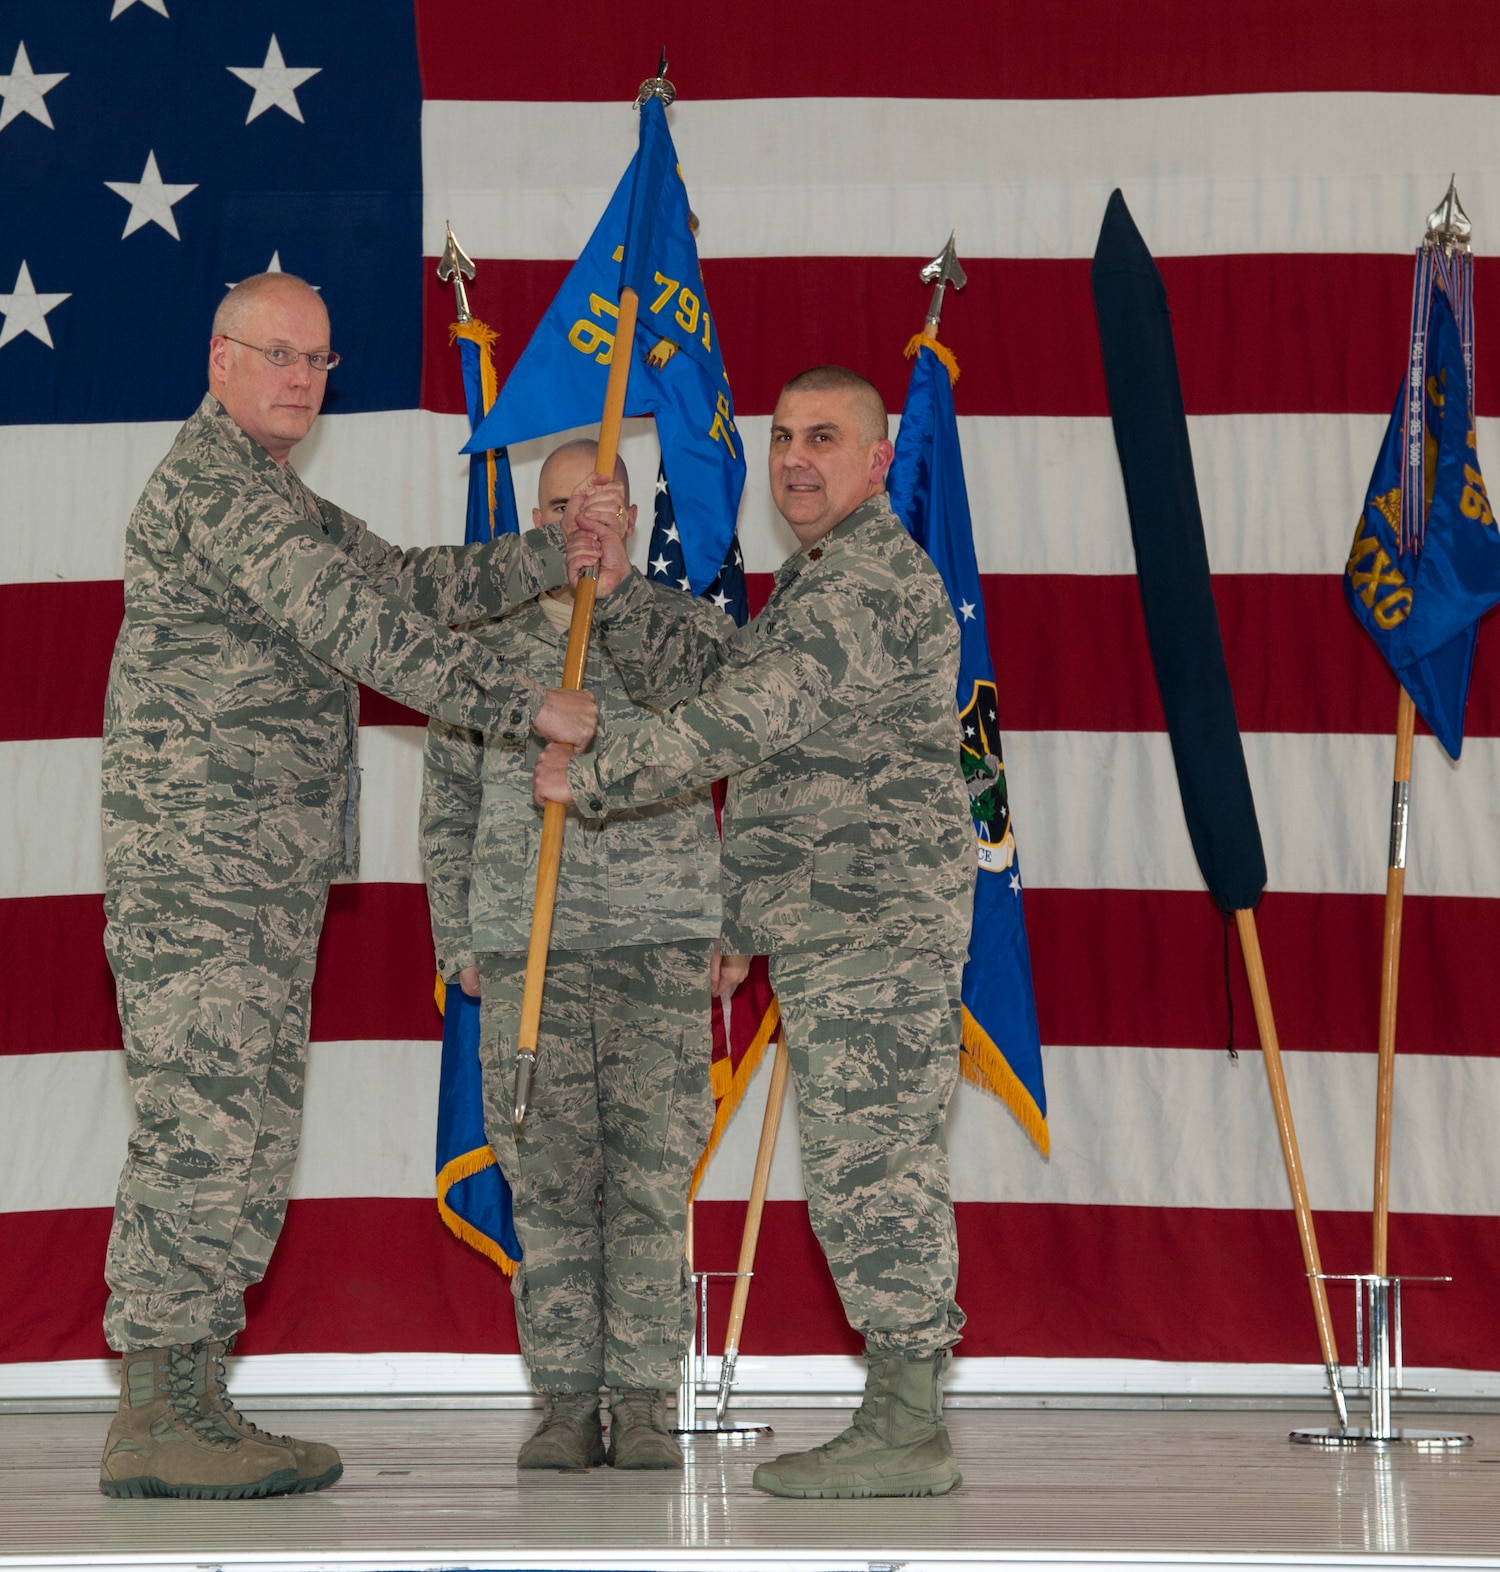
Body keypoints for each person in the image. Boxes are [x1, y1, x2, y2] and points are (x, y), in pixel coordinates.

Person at [98, 272, 600, 1501]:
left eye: (318, 361)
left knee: (250, 1134)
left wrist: (546, 552)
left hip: (258, 874)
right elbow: (359, 632)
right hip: (198, 869)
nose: (299, 380)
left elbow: (402, 585)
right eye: (276, 355)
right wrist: (520, 699)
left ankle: (197, 1402)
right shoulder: (216, 488)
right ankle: (153, 1411)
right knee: (200, 1131)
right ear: (219, 360)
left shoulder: (279, 496)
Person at [536, 366, 976, 1499]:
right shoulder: (822, 579)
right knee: (856, 1166)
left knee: (872, 1172)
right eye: (780, 436)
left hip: (874, 929)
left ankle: (907, 1426)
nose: (792, 458)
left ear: (879, 460)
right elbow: (737, 673)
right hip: (838, 924)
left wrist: (592, 768)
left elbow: (738, 719)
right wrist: (624, 594)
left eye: (823, 438)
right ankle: (899, 1412)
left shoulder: (865, 584)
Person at [421, 439, 751, 1471]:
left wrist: (731, 926)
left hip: (658, 940)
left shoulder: (686, 635)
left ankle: (647, 1400)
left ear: (632, 520)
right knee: (551, 1183)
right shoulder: (483, 643)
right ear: (537, 517)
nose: (580, 522)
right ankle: (565, 1401)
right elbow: (448, 803)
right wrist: (457, 934)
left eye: (598, 504)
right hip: (529, 943)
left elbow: (752, 781)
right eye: (560, 505)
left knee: (650, 1180)